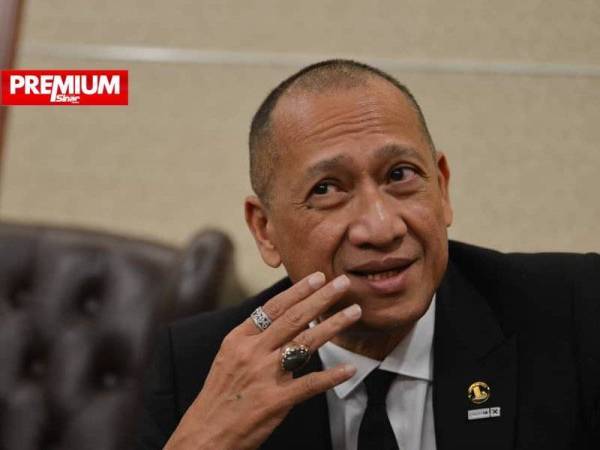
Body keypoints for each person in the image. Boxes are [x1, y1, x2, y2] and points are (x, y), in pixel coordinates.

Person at [136, 59, 600, 450]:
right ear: (266, 230)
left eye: (400, 175)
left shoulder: (574, 311)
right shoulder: (195, 369)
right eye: (326, 189)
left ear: (442, 188)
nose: (381, 228)